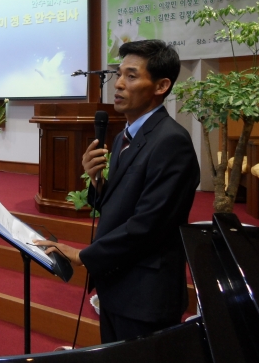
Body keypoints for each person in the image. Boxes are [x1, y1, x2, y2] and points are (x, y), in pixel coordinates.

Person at [34, 39, 200, 344]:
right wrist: (97, 182)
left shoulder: (171, 142)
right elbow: (122, 204)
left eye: (131, 76)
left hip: (145, 296)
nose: (119, 84)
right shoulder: (127, 135)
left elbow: (149, 225)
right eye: (119, 74)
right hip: (118, 285)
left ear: (161, 86)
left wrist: (83, 255)